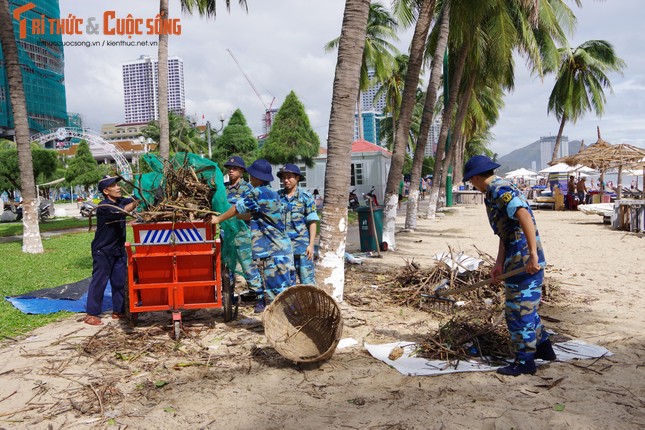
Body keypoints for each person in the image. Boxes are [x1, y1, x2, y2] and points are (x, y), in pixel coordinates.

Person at [463, 155, 556, 376]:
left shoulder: (500, 188)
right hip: (514, 259)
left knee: (517, 312)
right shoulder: (491, 194)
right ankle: (544, 348)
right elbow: (505, 232)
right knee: (527, 308)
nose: (471, 185)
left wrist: (533, 254)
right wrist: (498, 264)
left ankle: (525, 363)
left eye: (470, 181)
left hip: (525, 261)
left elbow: (523, 214)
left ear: (476, 177)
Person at [210, 159, 295, 313]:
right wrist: (231, 218)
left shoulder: (257, 192)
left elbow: (237, 208)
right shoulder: (271, 194)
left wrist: (218, 219)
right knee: (283, 290)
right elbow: (250, 215)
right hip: (280, 248)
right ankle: (285, 323)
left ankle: (288, 324)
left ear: (256, 176)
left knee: (279, 293)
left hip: (274, 250)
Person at [84, 175, 138, 325]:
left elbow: (132, 200)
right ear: (106, 191)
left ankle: (118, 310)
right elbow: (123, 211)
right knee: (99, 281)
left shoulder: (120, 201)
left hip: (118, 250)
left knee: (119, 281)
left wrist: (141, 195)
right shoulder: (104, 207)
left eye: (117, 184)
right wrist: (136, 201)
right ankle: (91, 314)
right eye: (114, 185)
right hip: (103, 250)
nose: (118, 187)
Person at [222, 156, 264, 300]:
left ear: (242, 171)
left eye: (234, 168)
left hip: (243, 232)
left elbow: (253, 212)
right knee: (229, 265)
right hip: (226, 233)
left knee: (248, 265)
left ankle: (259, 295)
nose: (231, 171)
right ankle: (232, 294)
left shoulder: (248, 189)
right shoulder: (224, 189)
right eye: (229, 168)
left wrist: (235, 216)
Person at [277, 164, 319, 285]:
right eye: (283, 177)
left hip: (302, 248)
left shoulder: (306, 197)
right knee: (286, 283)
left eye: (289, 177)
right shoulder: (278, 197)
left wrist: (311, 245)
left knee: (307, 282)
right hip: (283, 247)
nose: (286, 180)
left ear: (297, 178)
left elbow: (312, 221)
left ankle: (310, 304)